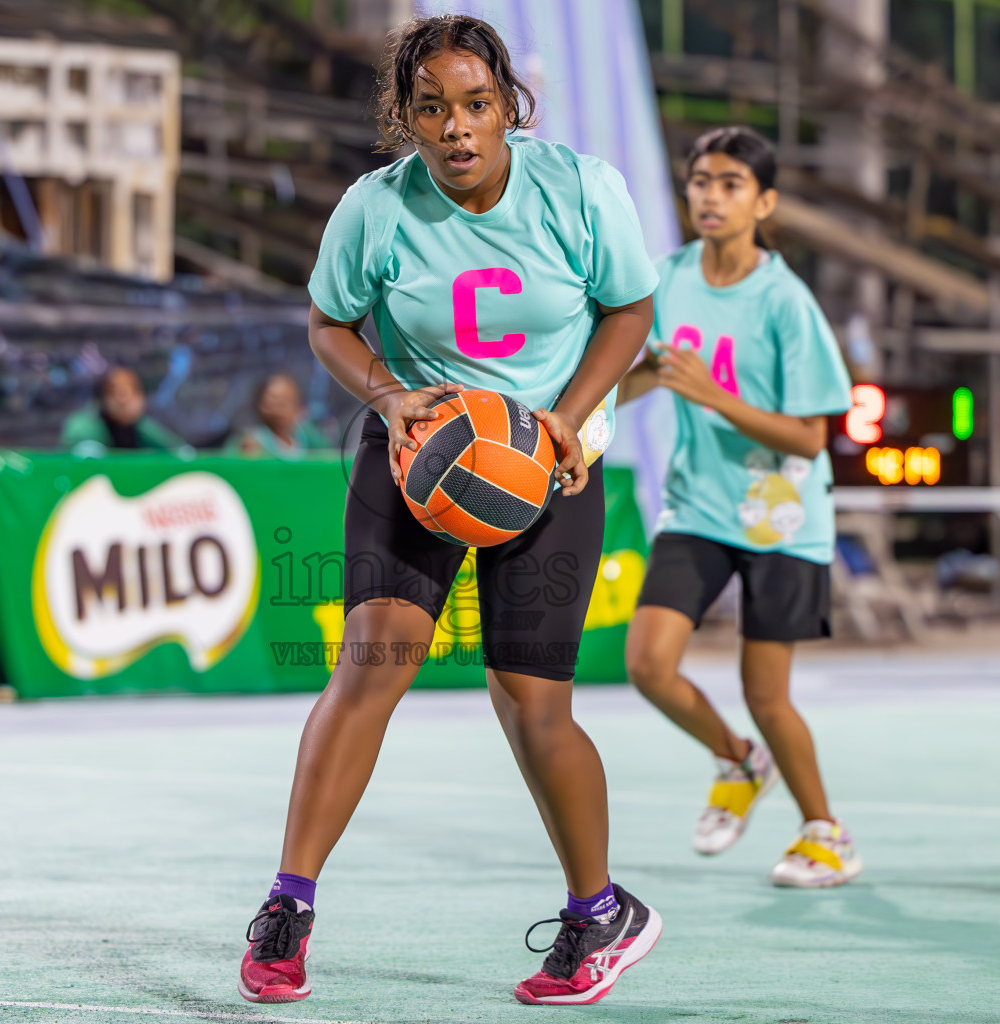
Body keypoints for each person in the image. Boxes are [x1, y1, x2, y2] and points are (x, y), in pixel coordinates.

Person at [238, 14, 662, 1007]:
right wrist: (389, 397)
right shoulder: (374, 209)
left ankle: (598, 910)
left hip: (545, 465)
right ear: (407, 118)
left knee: (530, 703)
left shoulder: (580, 190)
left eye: (476, 105)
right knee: (370, 664)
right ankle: (288, 906)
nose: (457, 127)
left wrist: (565, 417)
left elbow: (631, 310)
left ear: (510, 106)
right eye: (433, 108)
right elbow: (330, 322)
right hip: (415, 452)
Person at [618, 126, 860, 888]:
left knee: (767, 693)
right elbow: (629, 377)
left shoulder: (786, 302)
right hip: (697, 507)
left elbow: (812, 436)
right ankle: (735, 759)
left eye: (730, 183)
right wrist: (601, 397)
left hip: (781, 514)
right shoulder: (663, 281)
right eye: (700, 181)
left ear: (765, 202)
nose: (710, 196)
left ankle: (825, 831)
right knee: (648, 665)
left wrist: (713, 397)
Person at [59, 365, 187, 453]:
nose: (123, 400)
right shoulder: (84, 426)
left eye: (131, 392)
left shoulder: (142, 427)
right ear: (104, 398)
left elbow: (181, 453)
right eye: (115, 393)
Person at [226, 371, 332, 456]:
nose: (278, 410)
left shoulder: (306, 436)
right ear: (262, 405)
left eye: (285, 403)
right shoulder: (252, 442)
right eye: (273, 402)